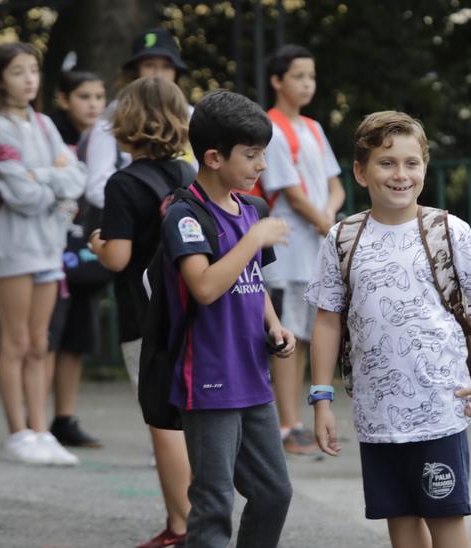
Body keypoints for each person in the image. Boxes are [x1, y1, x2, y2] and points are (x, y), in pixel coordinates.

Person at [308, 111, 471, 548]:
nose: (400, 174)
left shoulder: (447, 231)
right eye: (386, 163)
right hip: (376, 416)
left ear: (424, 167)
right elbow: (327, 320)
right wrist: (321, 398)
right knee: (400, 524)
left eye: (411, 163)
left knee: (446, 519)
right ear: (361, 172)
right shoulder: (342, 239)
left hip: (439, 410)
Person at [159, 90, 294, 547]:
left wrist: (272, 324)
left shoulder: (250, 210)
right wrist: (252, 240)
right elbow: (205, 286)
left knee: (274, 491)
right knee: (214, 501)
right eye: (252, 156)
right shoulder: (185, 215)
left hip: (252, 376)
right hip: (210, 379)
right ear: (214, 157)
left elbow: (252, 279)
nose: (261, 166)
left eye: (263, 155)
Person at [0, 42, 86, 466]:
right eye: (18, 71)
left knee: (38, 341)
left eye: (33, 70)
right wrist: (54, 182)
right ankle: (18, 432)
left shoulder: (45, 124)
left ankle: (40, 429)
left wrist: (43, 177)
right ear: (0, 79)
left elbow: (79, 178)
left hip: (47, 247)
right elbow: (21, 196)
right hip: (13, 248)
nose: (29, 79)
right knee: (15, 341)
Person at [88, 75, 195, 548]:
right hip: (193, 312)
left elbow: (118, 257)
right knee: (193, 418)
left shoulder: (124, 183)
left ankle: (180, 525)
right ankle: (202, 515)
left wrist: (98, 243)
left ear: (124, 124)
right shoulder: (191, 176)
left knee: (162, 420)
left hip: (145, 318)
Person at [260, 44, 345, 455]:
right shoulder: (271, 126)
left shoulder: (312, 127)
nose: (307, 83)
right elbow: (291, 194)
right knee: (287, 335)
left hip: (317, 241)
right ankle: (286, 424)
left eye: (311, 76)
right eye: (298, 76)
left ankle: (299, 421)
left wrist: (327, 215)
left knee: (309, 335)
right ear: (277, 81)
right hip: (292, 245)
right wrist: (323, 220)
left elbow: (336, 183)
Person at [45, 69, 109, 448]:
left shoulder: (103, 140)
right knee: (45, 338)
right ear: (64, 99)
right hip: (50, 252)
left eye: (99, 97)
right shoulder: (51, 138)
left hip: (86, 252)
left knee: (76, 340)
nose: (94, 105)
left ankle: (64, 418)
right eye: (84, 97)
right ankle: (32, 421)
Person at [84, 27, 192, 211]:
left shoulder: (190, 116)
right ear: (135, 72)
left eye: (166, 66)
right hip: (127, 223)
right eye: (149, 65)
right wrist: (143, 211)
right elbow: (96, 185)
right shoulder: (113, 116)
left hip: (182, 222)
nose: (158, 73)